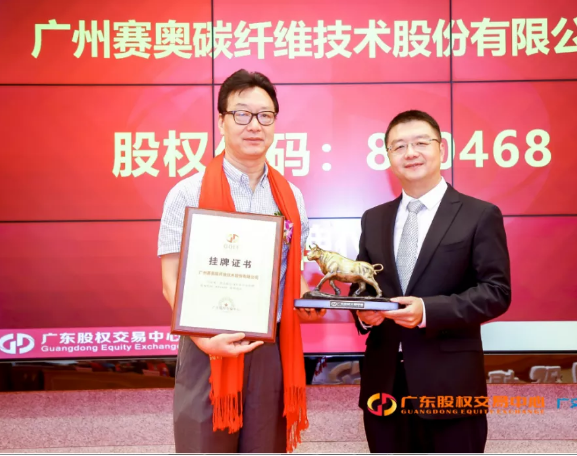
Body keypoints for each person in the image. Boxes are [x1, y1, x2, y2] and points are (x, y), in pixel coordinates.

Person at [158, 69, 325, 453]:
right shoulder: (187, 192)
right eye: (242, 114)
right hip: (207, 347)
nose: (254, 125)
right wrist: (205, 341)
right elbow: (171, 281)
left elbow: (292, 277)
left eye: (265, 115)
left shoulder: (291, 197)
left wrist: (311, 302)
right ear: (222, 121)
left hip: (270, 348)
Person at [352, 110, 511, 453]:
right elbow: (363, 284)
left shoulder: (479, 215)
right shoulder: (373, 219)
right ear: (388, 157)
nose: (410, 153)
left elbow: (496, 292)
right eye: (399, 146)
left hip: (451, 386)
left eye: (421, 143)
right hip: (384, 388)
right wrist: (363, 313)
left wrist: (427, 311)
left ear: (442, 150)